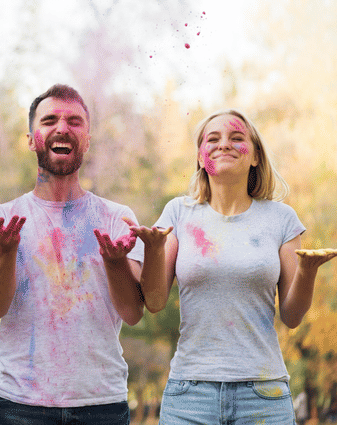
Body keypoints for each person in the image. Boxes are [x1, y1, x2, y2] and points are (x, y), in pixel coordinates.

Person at [130, 109, 337, 424]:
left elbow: (292, 317)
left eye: (236, 138)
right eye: (212, 139)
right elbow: (155, 302)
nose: (223, 145)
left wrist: (307, 272)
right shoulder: (178, 213)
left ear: (255, 156)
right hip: (190, 396)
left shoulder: (281, 219)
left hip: (263, 395)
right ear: (201, 158)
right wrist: (154, 250)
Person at [0, 84, 145, 425]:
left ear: (87, 139)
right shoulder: (2, 219)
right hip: (21, 406)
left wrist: (115, 264)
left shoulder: (118, 218)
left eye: (74, 121)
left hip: (101, 405)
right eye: (49, 119)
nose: (62, 128)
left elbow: (132, 312)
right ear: (30, 138)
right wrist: (6, 251)